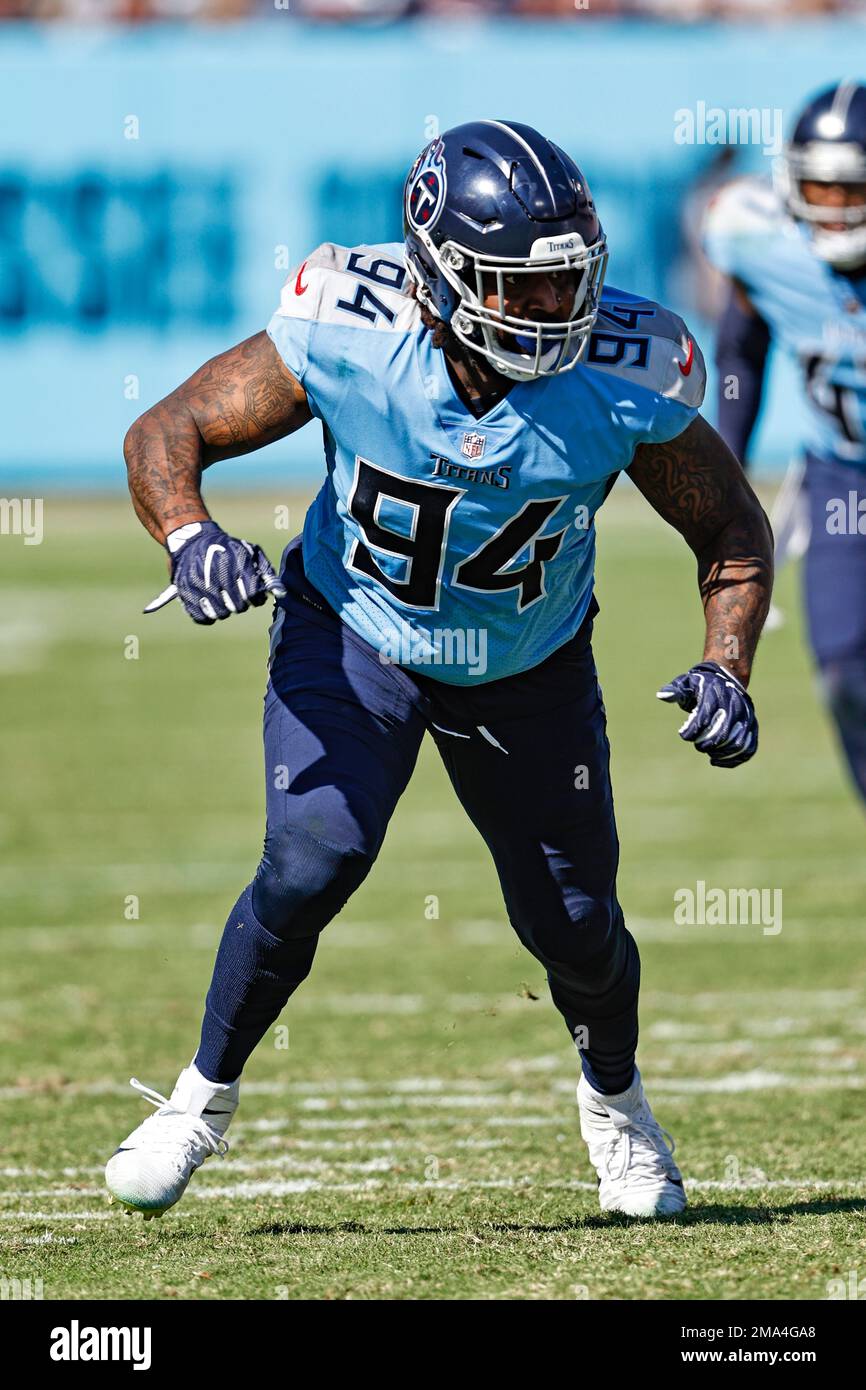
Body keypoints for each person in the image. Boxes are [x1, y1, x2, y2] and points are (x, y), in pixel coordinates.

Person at [108, 120, 772, 1222]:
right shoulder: (349, 328)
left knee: (572, 923)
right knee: (313, 855)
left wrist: (727, 667)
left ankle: (616, 1108)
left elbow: (733, 537)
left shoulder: (623, 373)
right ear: (443, 275)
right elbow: (166, 428)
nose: (559, 313)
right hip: (355, 634)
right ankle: (196, 1100)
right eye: (525, 289)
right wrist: (190, 538)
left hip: (528, 664)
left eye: (571, 285)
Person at [704, 81, 866, 806]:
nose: (833, 206)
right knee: (844, 673)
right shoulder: (755, 234)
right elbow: (742, 347)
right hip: (841, 478)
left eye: (849, 188)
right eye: (819, 187)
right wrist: (725, 484)